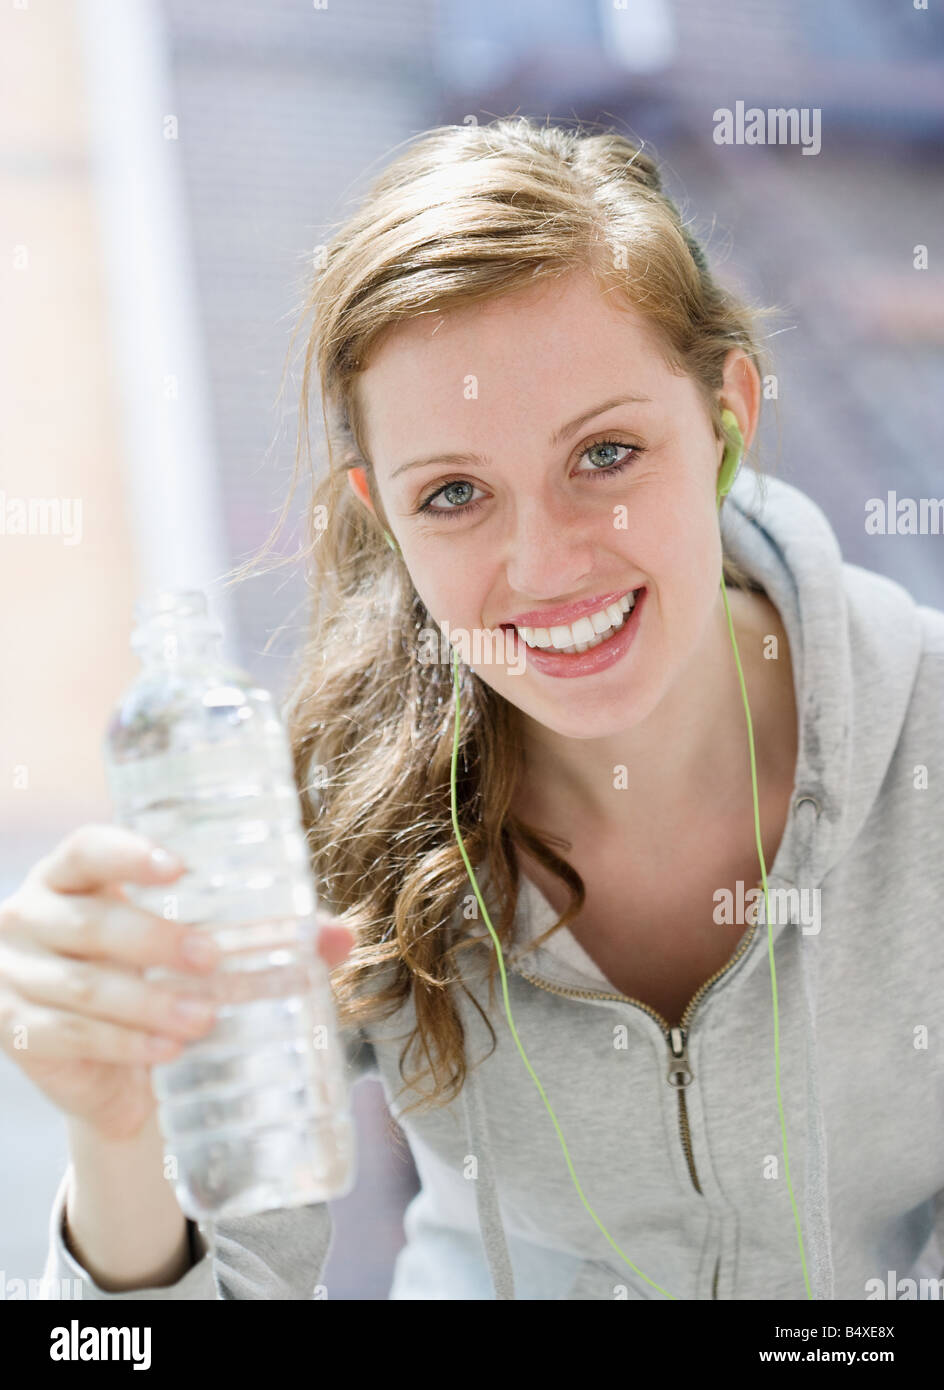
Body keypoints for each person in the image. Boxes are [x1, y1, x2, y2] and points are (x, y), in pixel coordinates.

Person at [6, 116, 943, 1300]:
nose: (545, 564)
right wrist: (115, 1125)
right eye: (452, 493)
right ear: (381, 515)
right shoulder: (317, 814)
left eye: (603, 454)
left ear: (726, 421)